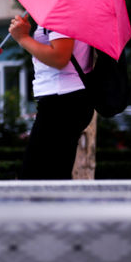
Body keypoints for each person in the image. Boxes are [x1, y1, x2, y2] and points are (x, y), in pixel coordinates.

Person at [8, 14, 94, 179]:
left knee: (36, 178)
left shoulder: (60, 10)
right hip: (65, 100)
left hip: (62, 100)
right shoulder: (64, 8)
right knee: (53, 175)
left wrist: (23, 38)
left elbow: (60, 57)